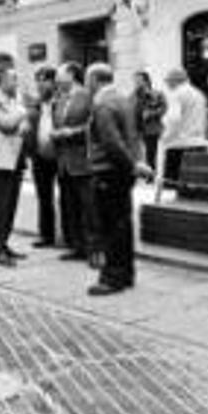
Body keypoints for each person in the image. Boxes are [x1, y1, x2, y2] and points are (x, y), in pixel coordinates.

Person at [86, 63, 153, 296]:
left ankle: (112, 278)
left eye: (88, 80)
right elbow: (133, 137)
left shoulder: (102, 104)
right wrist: (136, 164)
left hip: (108, 171)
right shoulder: (124, 99)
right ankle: (126, 273)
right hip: (122, 173)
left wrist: (133, 165)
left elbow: (112, 143)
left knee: (110, 226)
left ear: (94, 80)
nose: (87, 85)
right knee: (123, 223)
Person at [0, 65, 29, 267]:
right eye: (13, 79)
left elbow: (23, 127)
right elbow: (7, 124)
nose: (16, 83)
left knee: (10, 206)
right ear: (1, 80)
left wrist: (19, 121)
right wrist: (22, 113)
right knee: (0, 207)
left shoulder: (12, 100)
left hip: (15, 158)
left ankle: (4, 243)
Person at [51, 62, 98, 265]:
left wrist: (72, 132)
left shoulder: (87, 95)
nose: (56, 80)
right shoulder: (60, 98)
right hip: (64, 162)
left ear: (71, 74)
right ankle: (77, 248)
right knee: (70, 208)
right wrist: (55, 134)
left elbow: (93, 125)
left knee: (90, 209)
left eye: (60, 75)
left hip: (83, 161)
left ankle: (95, 250)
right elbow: (57, 123)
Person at [24, 66, 59, 248]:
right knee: (44, 197)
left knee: (69, 197)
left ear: (54, 82)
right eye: (37, 80)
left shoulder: (61, 102)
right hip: (39, 156)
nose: (39, 84)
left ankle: (73, 238)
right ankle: (46, 235)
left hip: (60, 156)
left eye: (44, 80)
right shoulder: (35, 104)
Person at [160, 68, 208, 189]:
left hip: (179, 146)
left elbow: (174, 119)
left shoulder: (177, 94)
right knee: (194, 187)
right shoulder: (199, 94)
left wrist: (165, 137)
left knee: (172, 186)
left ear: (176, 81)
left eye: (168, 81)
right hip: (199, 144)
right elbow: (204, 120)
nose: (167, 84)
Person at [133, 71, 167, 172]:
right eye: (135, 80)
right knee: (138, 152)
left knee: (151, 152)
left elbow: (164, 108)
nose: (136, 82)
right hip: (136, 127)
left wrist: (151, 113)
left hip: (151, 128)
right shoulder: (133, 95)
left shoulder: (156, 94)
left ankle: (151, 172)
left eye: (138, 80)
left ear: (146, 81)